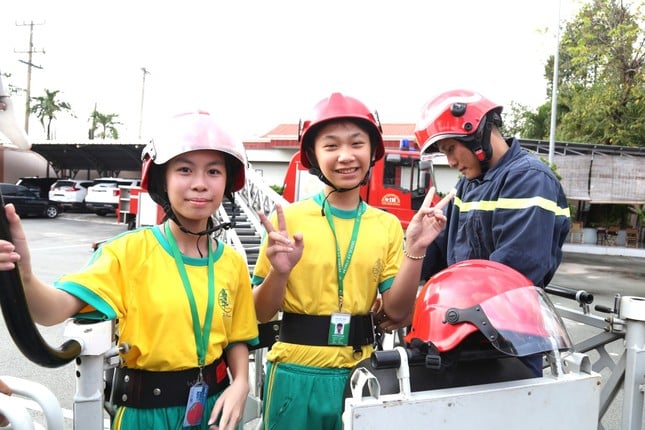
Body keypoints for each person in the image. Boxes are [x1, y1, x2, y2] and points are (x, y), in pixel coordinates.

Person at [0, 111, 259, 430]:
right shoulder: (126, 252)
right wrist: (23, 273)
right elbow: (50, 312)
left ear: (227, 181)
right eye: (185, 170)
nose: (200, 184)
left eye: (214, 171)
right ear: (162, 179)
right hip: (144, 414)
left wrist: (241, 383)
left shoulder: (231, 262)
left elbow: (237, 336)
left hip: (215, 411)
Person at [251, 92, 453, 429]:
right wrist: (279, 273)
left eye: (356, 144)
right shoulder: (287, 219)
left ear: (372, 151)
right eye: (331, 146)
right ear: (313, 157)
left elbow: (397, 312)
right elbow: (260, 313)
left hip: (362, 375)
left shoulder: (386, 225)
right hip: (293, 374)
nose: (346, 156)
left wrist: (415, 248)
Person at [414, 89, 571, 376]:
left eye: (450, 148)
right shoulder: (467, 186)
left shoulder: (528, 180)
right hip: (461, 334)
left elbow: (510, 273)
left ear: (476, 134)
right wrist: (411, 254)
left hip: (509, 343)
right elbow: (436, 252)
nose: (449, 162)